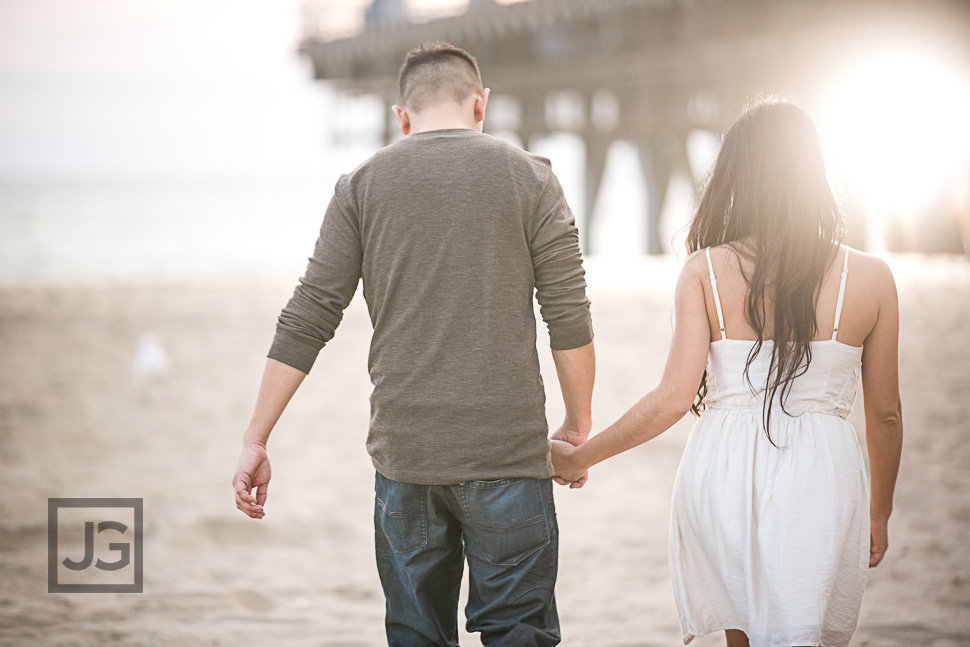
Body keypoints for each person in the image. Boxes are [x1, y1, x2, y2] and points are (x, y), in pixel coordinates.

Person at [232, 42, 595, 647]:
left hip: (406, 457)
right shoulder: (532, 178)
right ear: (481, 105)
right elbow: (568, 313)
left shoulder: (360, 187)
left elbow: (309, 315)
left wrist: (256, 438)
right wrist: (578, 426)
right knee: (518, 632)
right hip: (506, 451)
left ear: (401, 116)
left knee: (416, 634)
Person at [552, 99, 902, 647]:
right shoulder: (873, 277)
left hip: (722, 467)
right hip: (822, 471)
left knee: (743, 635)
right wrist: (880, 511)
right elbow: (886, 412)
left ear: (736, 174)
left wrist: (580, 455)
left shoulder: (706, 271)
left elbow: (672, 400)